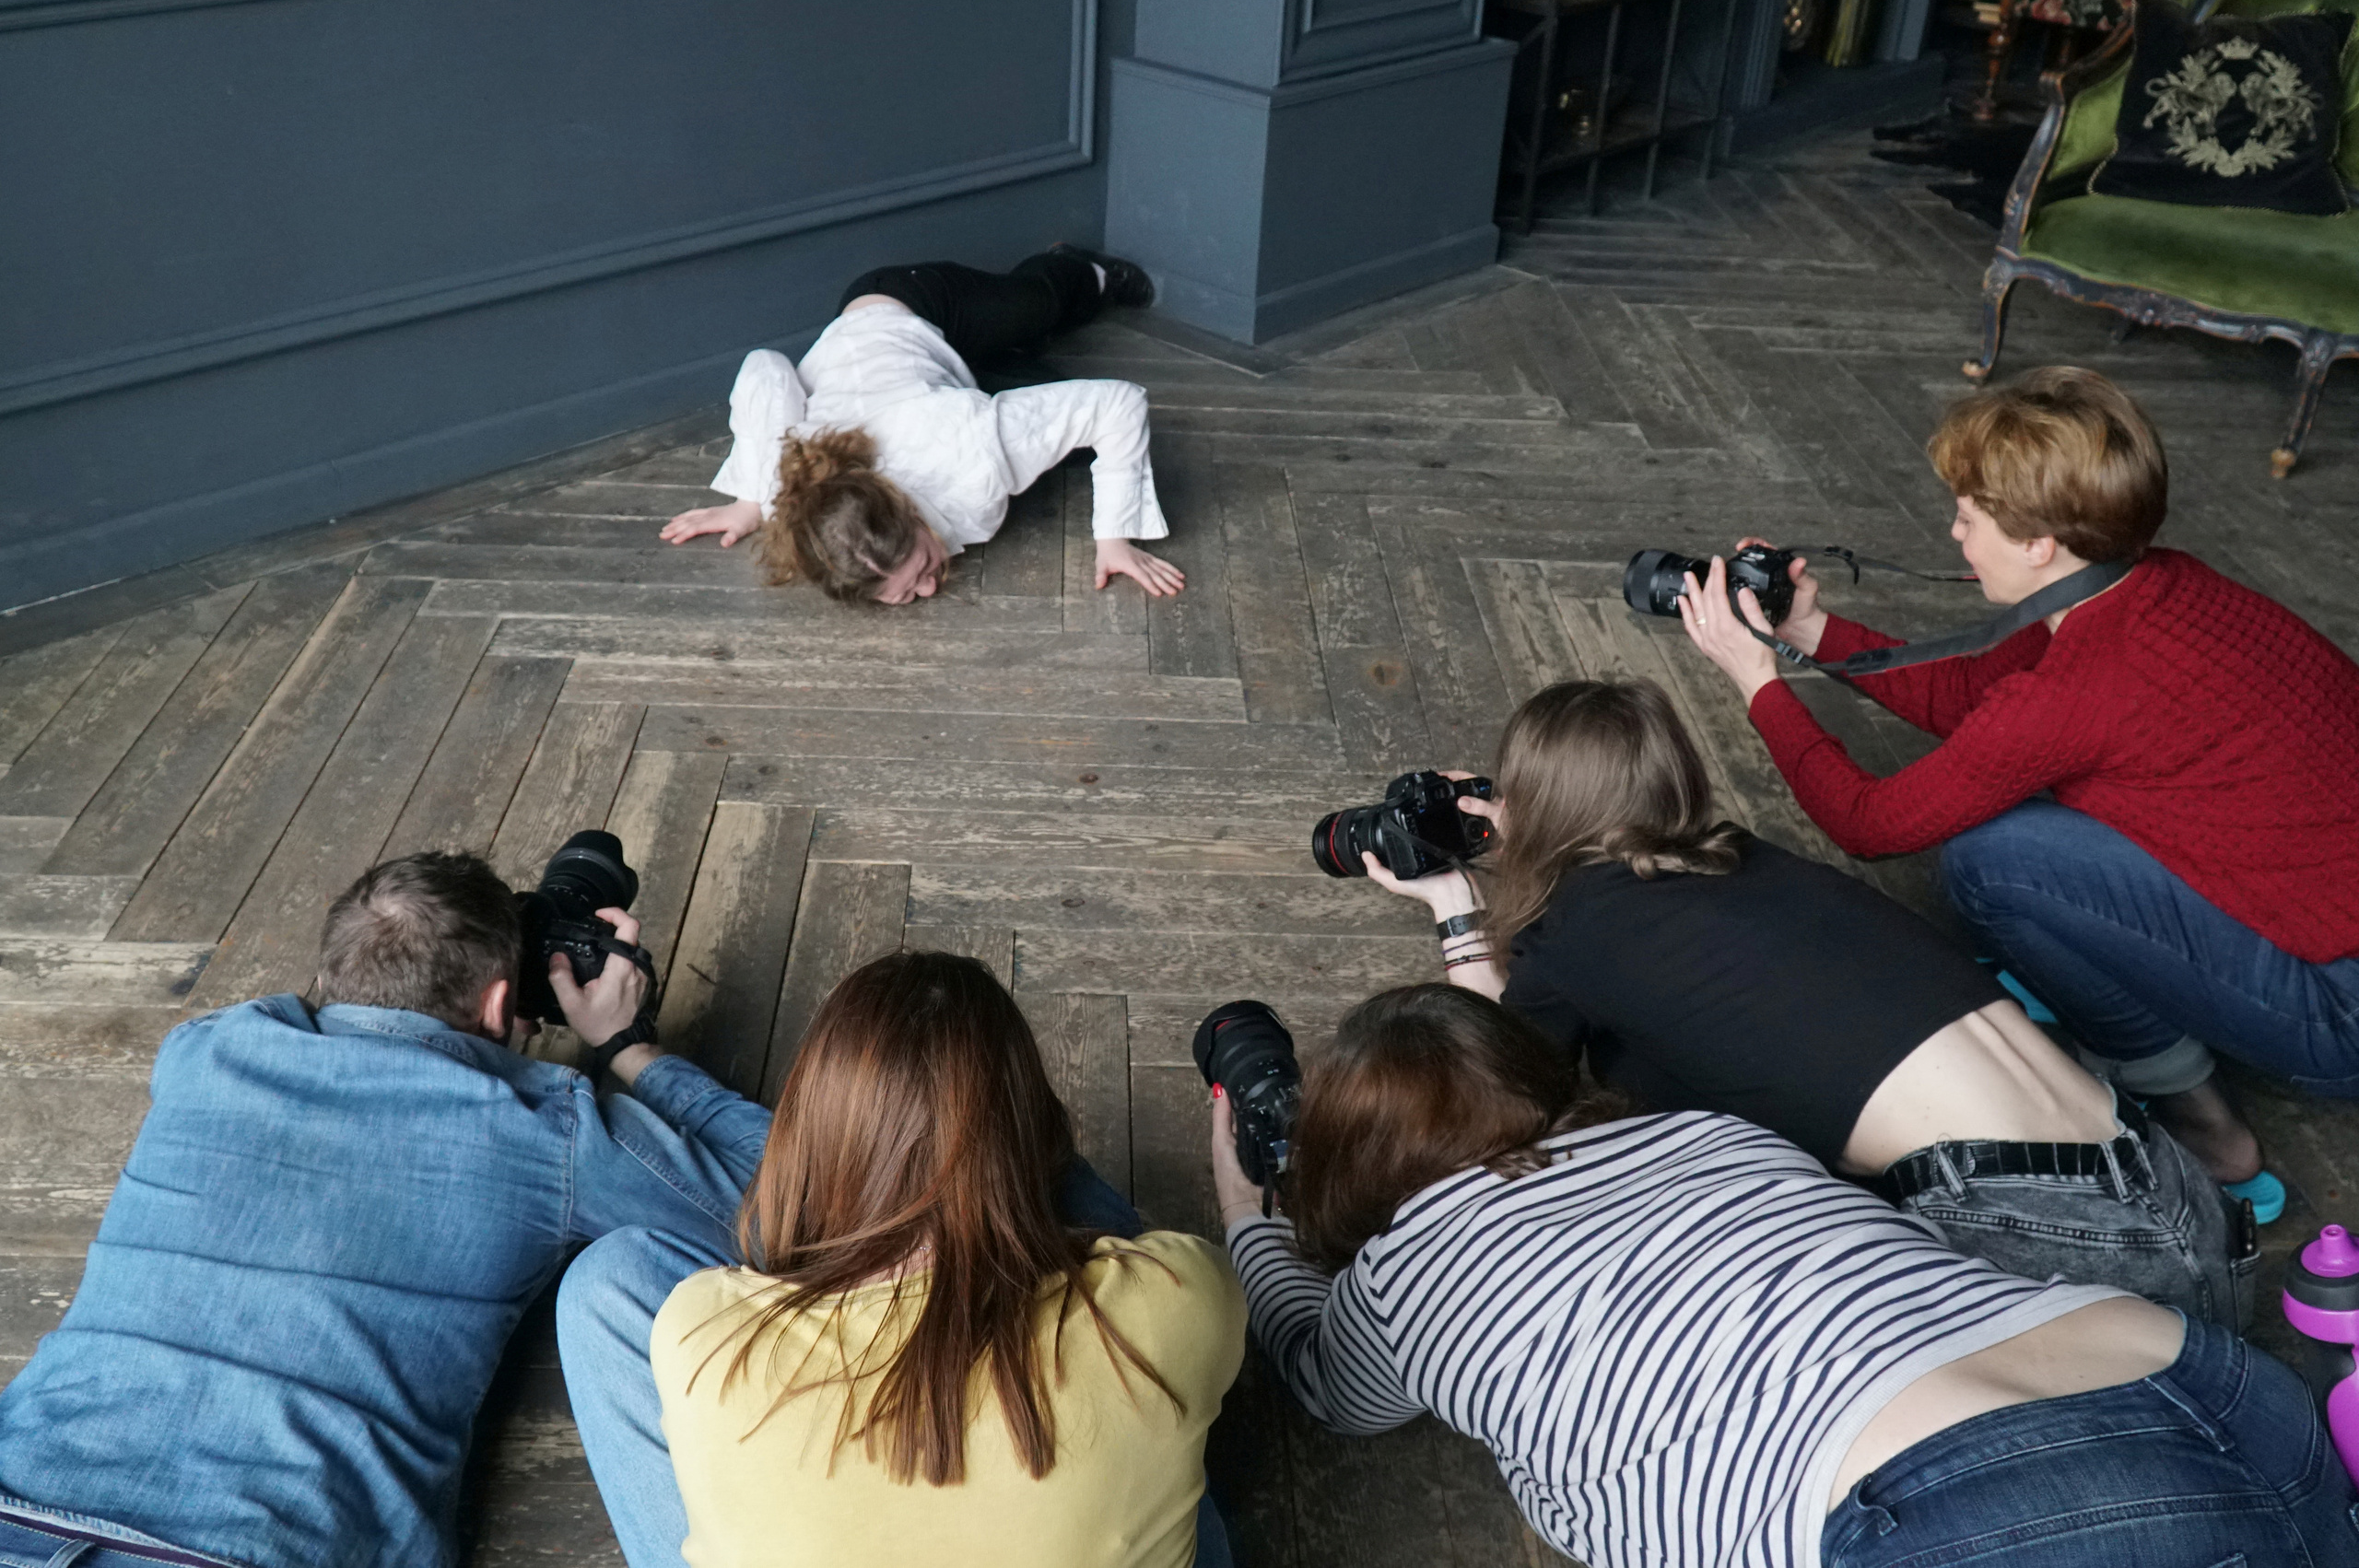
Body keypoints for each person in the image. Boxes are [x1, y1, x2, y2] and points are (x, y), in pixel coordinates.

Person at [1212, 984, 2356, 1567]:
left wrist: (1242, 1210)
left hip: (1960, 1499)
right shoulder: (1706, 1134)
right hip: (2214, 1388)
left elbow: (1325, 1384)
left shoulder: (1405, 1267)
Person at [1672, 366, 2359, 1206]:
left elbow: (1866, 821)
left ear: (2040, 544)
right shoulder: (2152, 583)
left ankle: (2206, 1124)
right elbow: (1974, 700)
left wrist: (1757, 681)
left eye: (1969, 516)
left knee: (1990, 860)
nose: (1955, 532)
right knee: (2024, 811)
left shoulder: (2084, 683)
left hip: (2342, 1011)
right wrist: (1808, 628)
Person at [1362, 676, 2249, 1324]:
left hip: (2066, 1249)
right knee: (1641, 1055)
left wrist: (1456, 904)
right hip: (2178, 1195)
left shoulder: (1574, 927)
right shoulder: (1741, 854)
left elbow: (1498, 1075)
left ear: (1535, 804)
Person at [0, 852, 771, 1568]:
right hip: (260, 1546)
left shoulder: (202, 1051)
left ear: (331, 973)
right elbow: (780, 1194)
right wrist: (626, 1044)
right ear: (502, 1001)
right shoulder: (547, 1126)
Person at [557, 950, 1245, 1568]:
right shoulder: (1181, 1295)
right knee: (1153, 1395)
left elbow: (790, 1184)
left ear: (802, 1139)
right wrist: (1242, 1206)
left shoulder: (699, 1335)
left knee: (604, 1279)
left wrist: (631, 1053)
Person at [660, 247, 1185, 605]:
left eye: (924, 569)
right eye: (909, 590)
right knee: (1066, 443)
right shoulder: (799, 512)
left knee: (1039, 304)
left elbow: (1119, 405)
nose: (931, 590)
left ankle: (1084, 270)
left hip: (913, 303)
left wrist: (1113, 539)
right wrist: (753, 502)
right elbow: (763, 372)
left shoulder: (967, 448)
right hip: (928, 378)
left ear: (909, 513)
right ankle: (1005, 355)